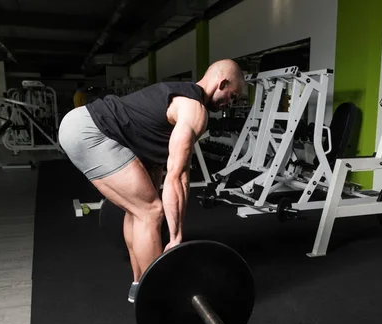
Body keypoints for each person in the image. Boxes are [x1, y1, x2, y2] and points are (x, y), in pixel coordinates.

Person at [58, 59, 246, 303]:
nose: (229, 104)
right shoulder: (195, 109)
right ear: (222, 83)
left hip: (81, 127)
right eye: (233, 95)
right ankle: (159, 299)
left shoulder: (177, 99)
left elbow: (160, 168)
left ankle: (139, 286)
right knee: (151, 211)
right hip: (90, 131)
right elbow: (178, 175)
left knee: (138, 210)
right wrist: (176, 237)